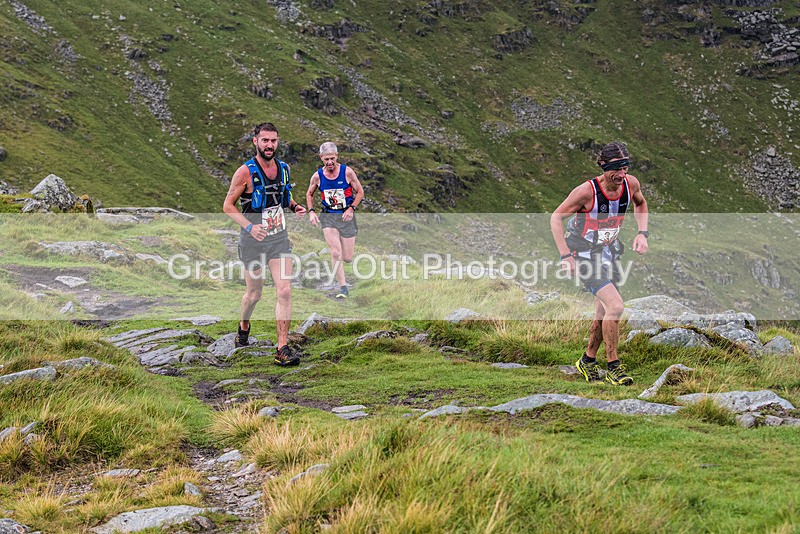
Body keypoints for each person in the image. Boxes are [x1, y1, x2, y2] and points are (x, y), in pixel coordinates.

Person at [550, 141, 649, 385]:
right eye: (616, 168)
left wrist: (641, 233)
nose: (622, 174)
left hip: (609, 253)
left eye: (625, 167)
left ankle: (588, 360)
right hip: (584, 254)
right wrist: (565, 256)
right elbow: (556, 218)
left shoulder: (630, 183)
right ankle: (614, 365)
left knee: (604, 310)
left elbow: (641, 203)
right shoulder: (586, 192)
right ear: (603, 166)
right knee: (615, 306)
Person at [223, 122, 307, 366]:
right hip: (252, 241)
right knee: (254, 293)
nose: (270, 145)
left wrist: (294, 206)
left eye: (273, 141)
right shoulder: (245, 172)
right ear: (255, 142)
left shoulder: (284, 169)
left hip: (278, 238)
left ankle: (282, 348)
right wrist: (250, 227)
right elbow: (228, 206)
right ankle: (244, 325)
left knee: (285, 290)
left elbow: (283, 194)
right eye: (265, 141)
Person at [306, 142, 365, 299]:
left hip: (346, 217)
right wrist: (311, 212)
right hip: (328, 216)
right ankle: (343, 287)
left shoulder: (347, 172)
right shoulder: (317, 176)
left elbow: (360, 192)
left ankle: (342, 277)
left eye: (332, 158)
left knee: (347, 257)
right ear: (321, 158)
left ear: (337, 156)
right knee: (335, 252)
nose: (330, 162)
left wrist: (351, 208)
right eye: (326, 159)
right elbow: (309, 194)